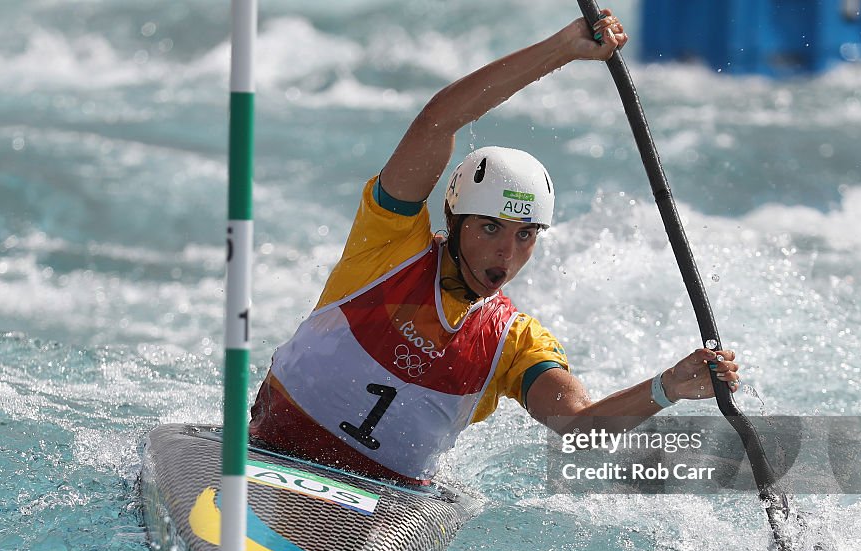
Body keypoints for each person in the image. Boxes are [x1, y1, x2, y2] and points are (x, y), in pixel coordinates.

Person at [249, 10, 740, 484]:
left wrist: (668, 387)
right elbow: (437, 123)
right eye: (490, 229)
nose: (507, 253)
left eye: (525, 235)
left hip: (387, 502)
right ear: (455, 220)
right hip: (272, 449)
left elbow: (579, 428)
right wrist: (561, 50)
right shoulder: (390, 245)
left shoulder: (515, 342)